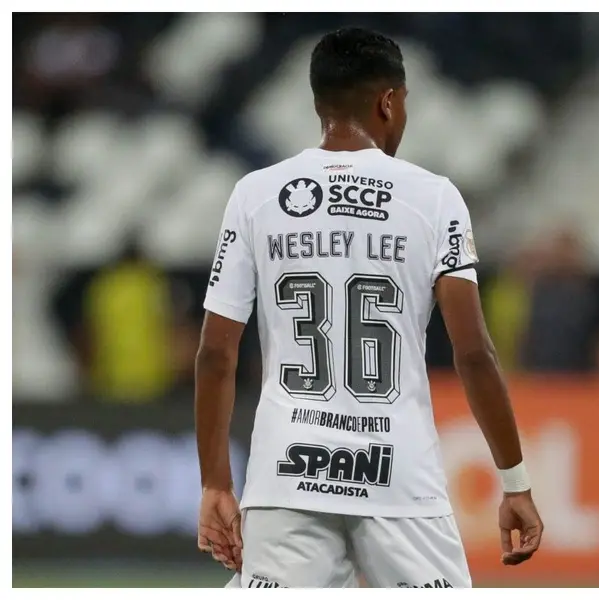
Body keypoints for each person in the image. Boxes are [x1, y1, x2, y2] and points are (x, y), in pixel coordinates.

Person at [193, 27, 543, 588]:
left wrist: (216, 483)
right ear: (388, 101)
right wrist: (515, 483)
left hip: (288, 475)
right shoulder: (434, 198)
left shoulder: (256, 194)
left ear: (318, 103)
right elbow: (474, 354)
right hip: (399, 479)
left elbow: (215, 354)